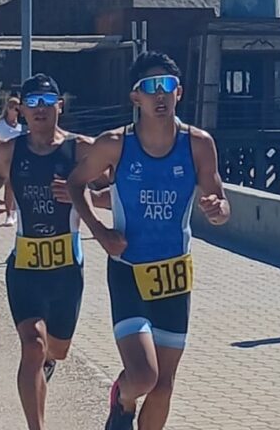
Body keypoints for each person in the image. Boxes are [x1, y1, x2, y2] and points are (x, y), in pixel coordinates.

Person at [67, 51, 230, 430]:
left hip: (175, 273)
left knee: (164, 385)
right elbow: (76, 184)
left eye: (167, 86)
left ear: (179, 93)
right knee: (143, 377)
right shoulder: (114, 144)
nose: (160, 94)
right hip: (128, 269)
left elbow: (221, 204)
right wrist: (100, 232)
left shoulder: (198, 144)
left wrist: (217, 210)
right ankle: (123, 398)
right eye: (151, 87)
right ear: (135, 97)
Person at [0, 73, 110, 430]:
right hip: (25, 267)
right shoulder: (10, 150)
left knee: (57, 350)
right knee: (32, 345)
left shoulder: (81, 149)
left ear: (59, 107)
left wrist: (87, 197)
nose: (40, 109)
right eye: (32, 103)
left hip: (66, 269)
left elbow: (119, 185)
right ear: (21, 110)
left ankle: (46, 366)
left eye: (47, 102)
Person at [0, 96, 25, 226]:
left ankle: (17, 212)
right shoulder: (0, 124)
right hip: (6, 160)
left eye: (17, 108)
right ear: (8, 109)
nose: (15, 111)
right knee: (9, 186)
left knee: (20, 188)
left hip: (21, 160)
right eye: (12, 107)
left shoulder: (23, 126)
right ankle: (9, 214)